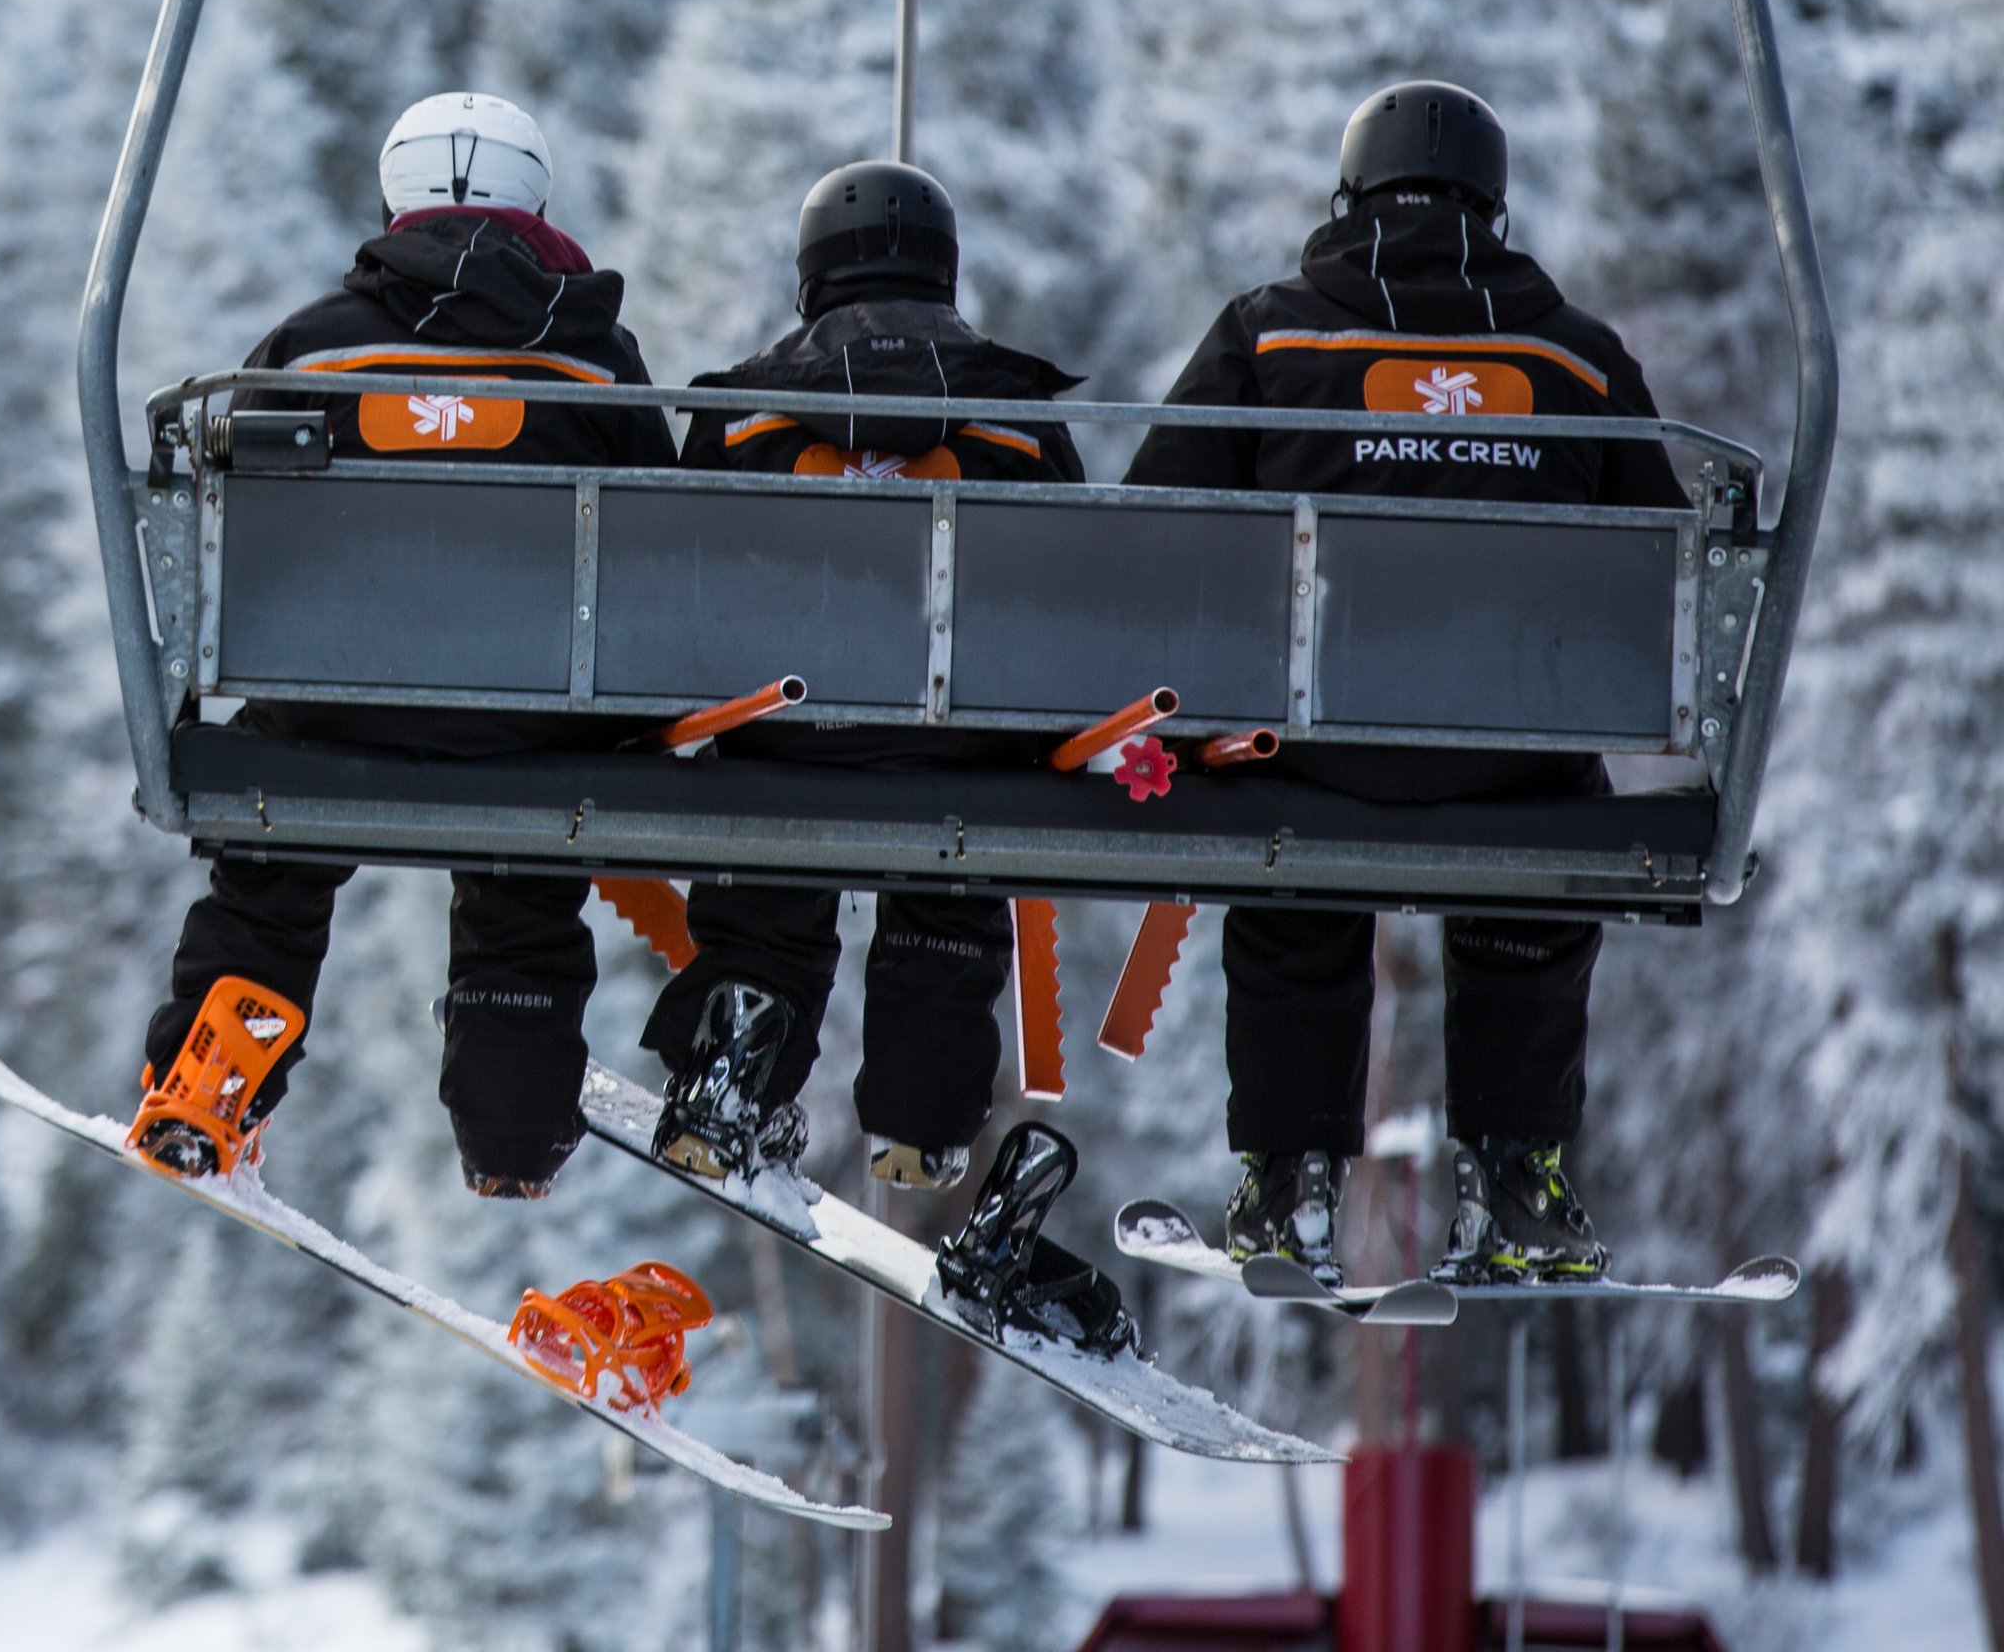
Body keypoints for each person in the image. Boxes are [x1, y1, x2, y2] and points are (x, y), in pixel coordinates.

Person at [1125, 80, 1680, 1286]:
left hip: (1316, 755)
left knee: (1293, 887)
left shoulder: (1272, 333)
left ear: (1352, 192)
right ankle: (1519, 1174)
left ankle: (1286, 1179)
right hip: (1517, 763)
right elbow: (1662, 564)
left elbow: (1155, 524)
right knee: (1535, 879)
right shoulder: (1571, 357)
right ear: (1493, 202)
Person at [129, 91, 677, 1199]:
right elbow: (664, 533)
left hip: (328, 703)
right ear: (537, 201)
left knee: (270, 876)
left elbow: (223, 526)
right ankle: (512, 1138)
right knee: (524, 890)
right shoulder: (594, 357)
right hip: (533, 716)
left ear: (394, 200)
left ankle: (208, 1086)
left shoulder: (310, 350)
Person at [635, 160, 1089, 1201]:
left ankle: (735, 1064)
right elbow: (1078, 586)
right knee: (948, 904)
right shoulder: (1016, 413)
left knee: (765, 892)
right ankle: (920, 1129)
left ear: (813, 274)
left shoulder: (747, 407)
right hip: (962, 744)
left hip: (784, 731)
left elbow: (674, 569)